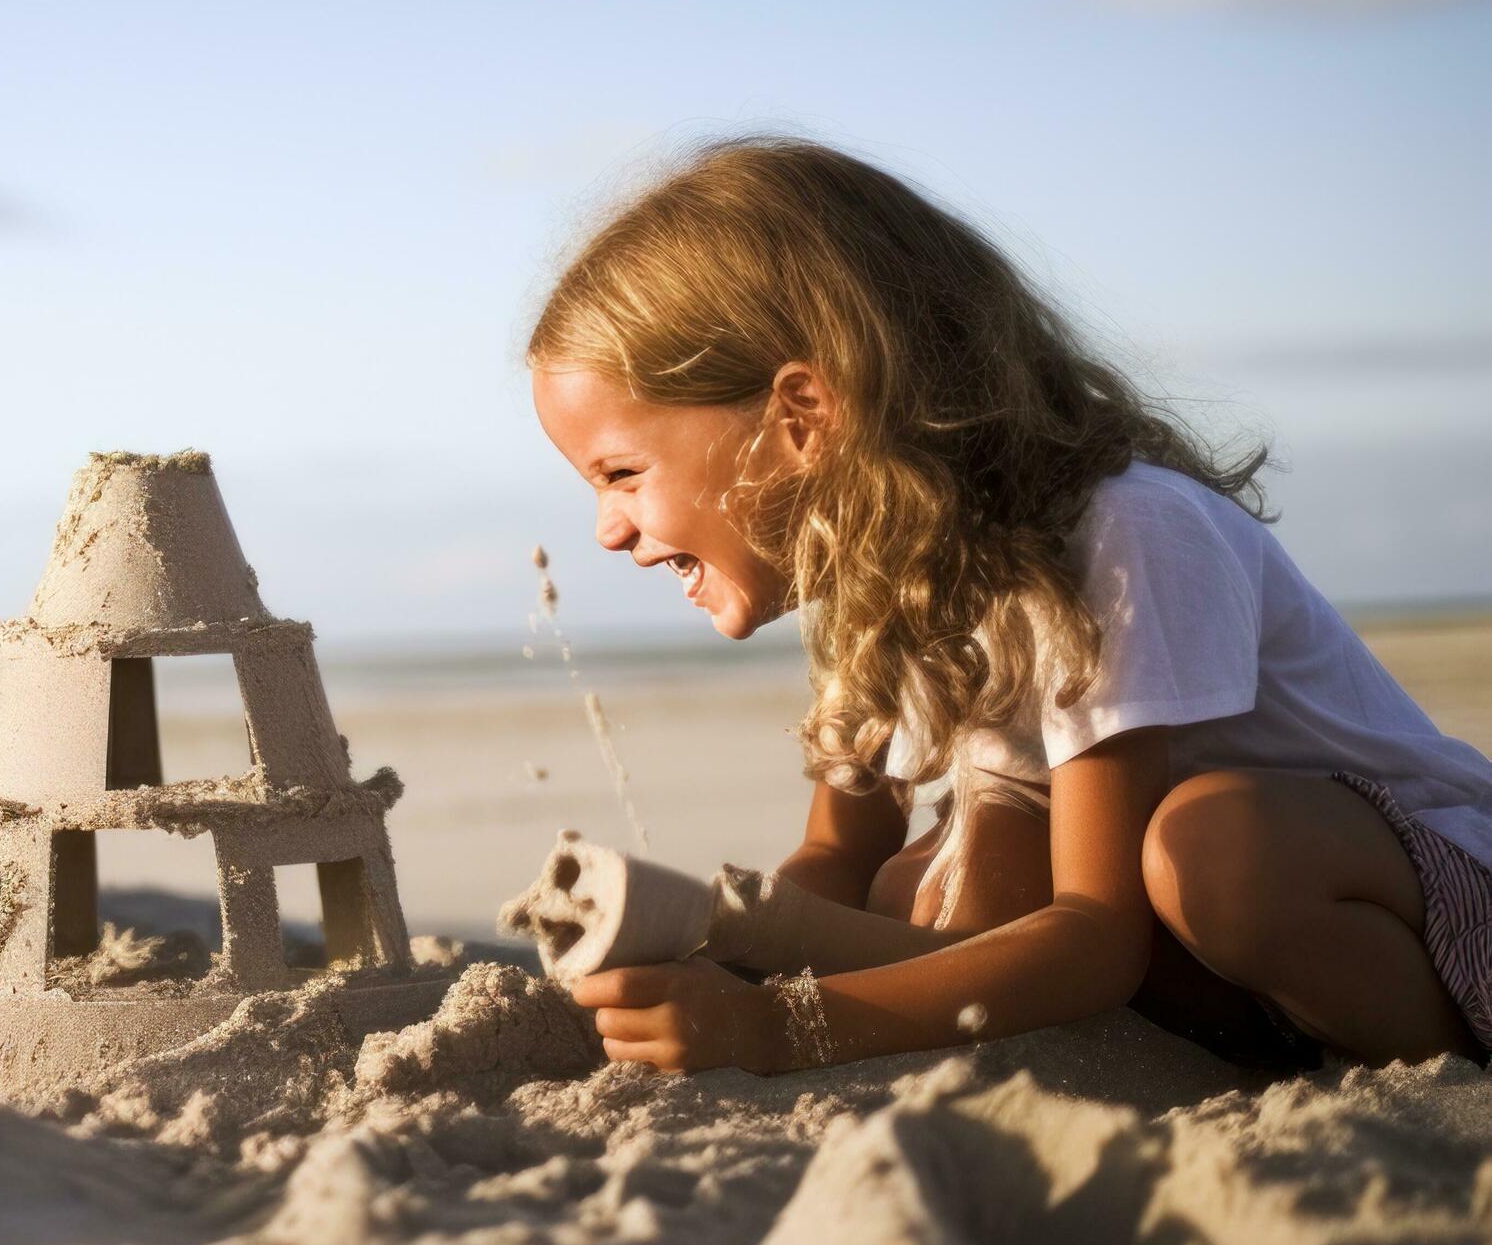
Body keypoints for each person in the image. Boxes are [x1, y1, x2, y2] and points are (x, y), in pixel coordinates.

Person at [524, 138, 1492, 1074]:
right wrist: (710, 953)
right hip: (1216, 954)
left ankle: (1439, 1056)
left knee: (1213, 848)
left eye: (621, 472)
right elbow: (835, 852)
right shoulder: (883, 574)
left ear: (802, 418)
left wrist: (780, 1028)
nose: (607, 528)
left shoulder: (1122, 536)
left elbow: (1098, 934)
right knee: (940, 878)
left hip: (1429, 905)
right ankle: (1261, 1054)